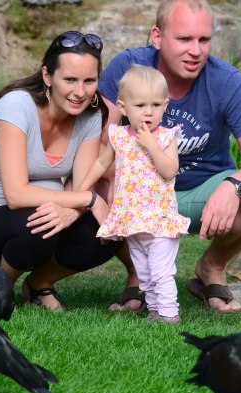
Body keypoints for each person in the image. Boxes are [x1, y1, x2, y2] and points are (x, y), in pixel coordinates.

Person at [97, 0, 241, 313]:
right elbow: (100, 141)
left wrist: (232, 187)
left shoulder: (226, 81)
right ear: (157, 37)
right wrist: (115, 179)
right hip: (140, 192)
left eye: (204, 40)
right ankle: (137, 275)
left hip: (199, 192)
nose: (195, 51)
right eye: (184, 39)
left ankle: (212, 267)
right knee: (95, 185)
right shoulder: (129, 68)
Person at [0, 31, 121, 311]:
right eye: (70, 79)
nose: (80, 92)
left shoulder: (90, 115)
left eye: (89, 81)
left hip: (41, 217)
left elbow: (83, 183)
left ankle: (38, 284)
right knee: (40, 221)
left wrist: (72, 211)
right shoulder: (16, 106)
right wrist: (89, 200)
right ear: (47, 76)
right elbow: (16, 196)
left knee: (109, 230)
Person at [76, 65, 190, 323]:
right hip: (132, 220)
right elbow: (100, 163)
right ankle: (154, 310)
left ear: (165, 105)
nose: (148, 112)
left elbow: (170, 170)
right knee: (144, 272)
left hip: (159, 220)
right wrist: (82, 188)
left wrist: (151, 146)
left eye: (155, 105)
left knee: (161, 271)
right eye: (139, 105)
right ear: (123, 107)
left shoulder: (165, 137)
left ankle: (169, 313)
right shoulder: (119, 137)